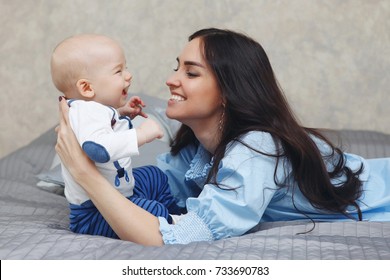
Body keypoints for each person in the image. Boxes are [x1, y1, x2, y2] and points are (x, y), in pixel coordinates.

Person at [55, 28, 390, 246]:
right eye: (176, 67)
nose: (171, 80)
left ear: (229, 91)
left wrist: (87, 177)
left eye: (190, 72)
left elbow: (170, 238)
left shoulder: (255, 148)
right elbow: (161, 183)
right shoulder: (199, 147)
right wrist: (89, 160)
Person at [51, 34, 181, 238]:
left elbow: (98, 127)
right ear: (86, 87)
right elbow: (98, 148)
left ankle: (175, 210)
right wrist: (142, 133)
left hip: (120, 190)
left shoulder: (90, 110)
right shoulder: (86, 112)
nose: (128, 75)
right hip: (95, 213)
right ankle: (175, 221)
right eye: (118, 71)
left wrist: (120, 113)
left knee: (153, 176)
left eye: (125, 68)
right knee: (152, 210)